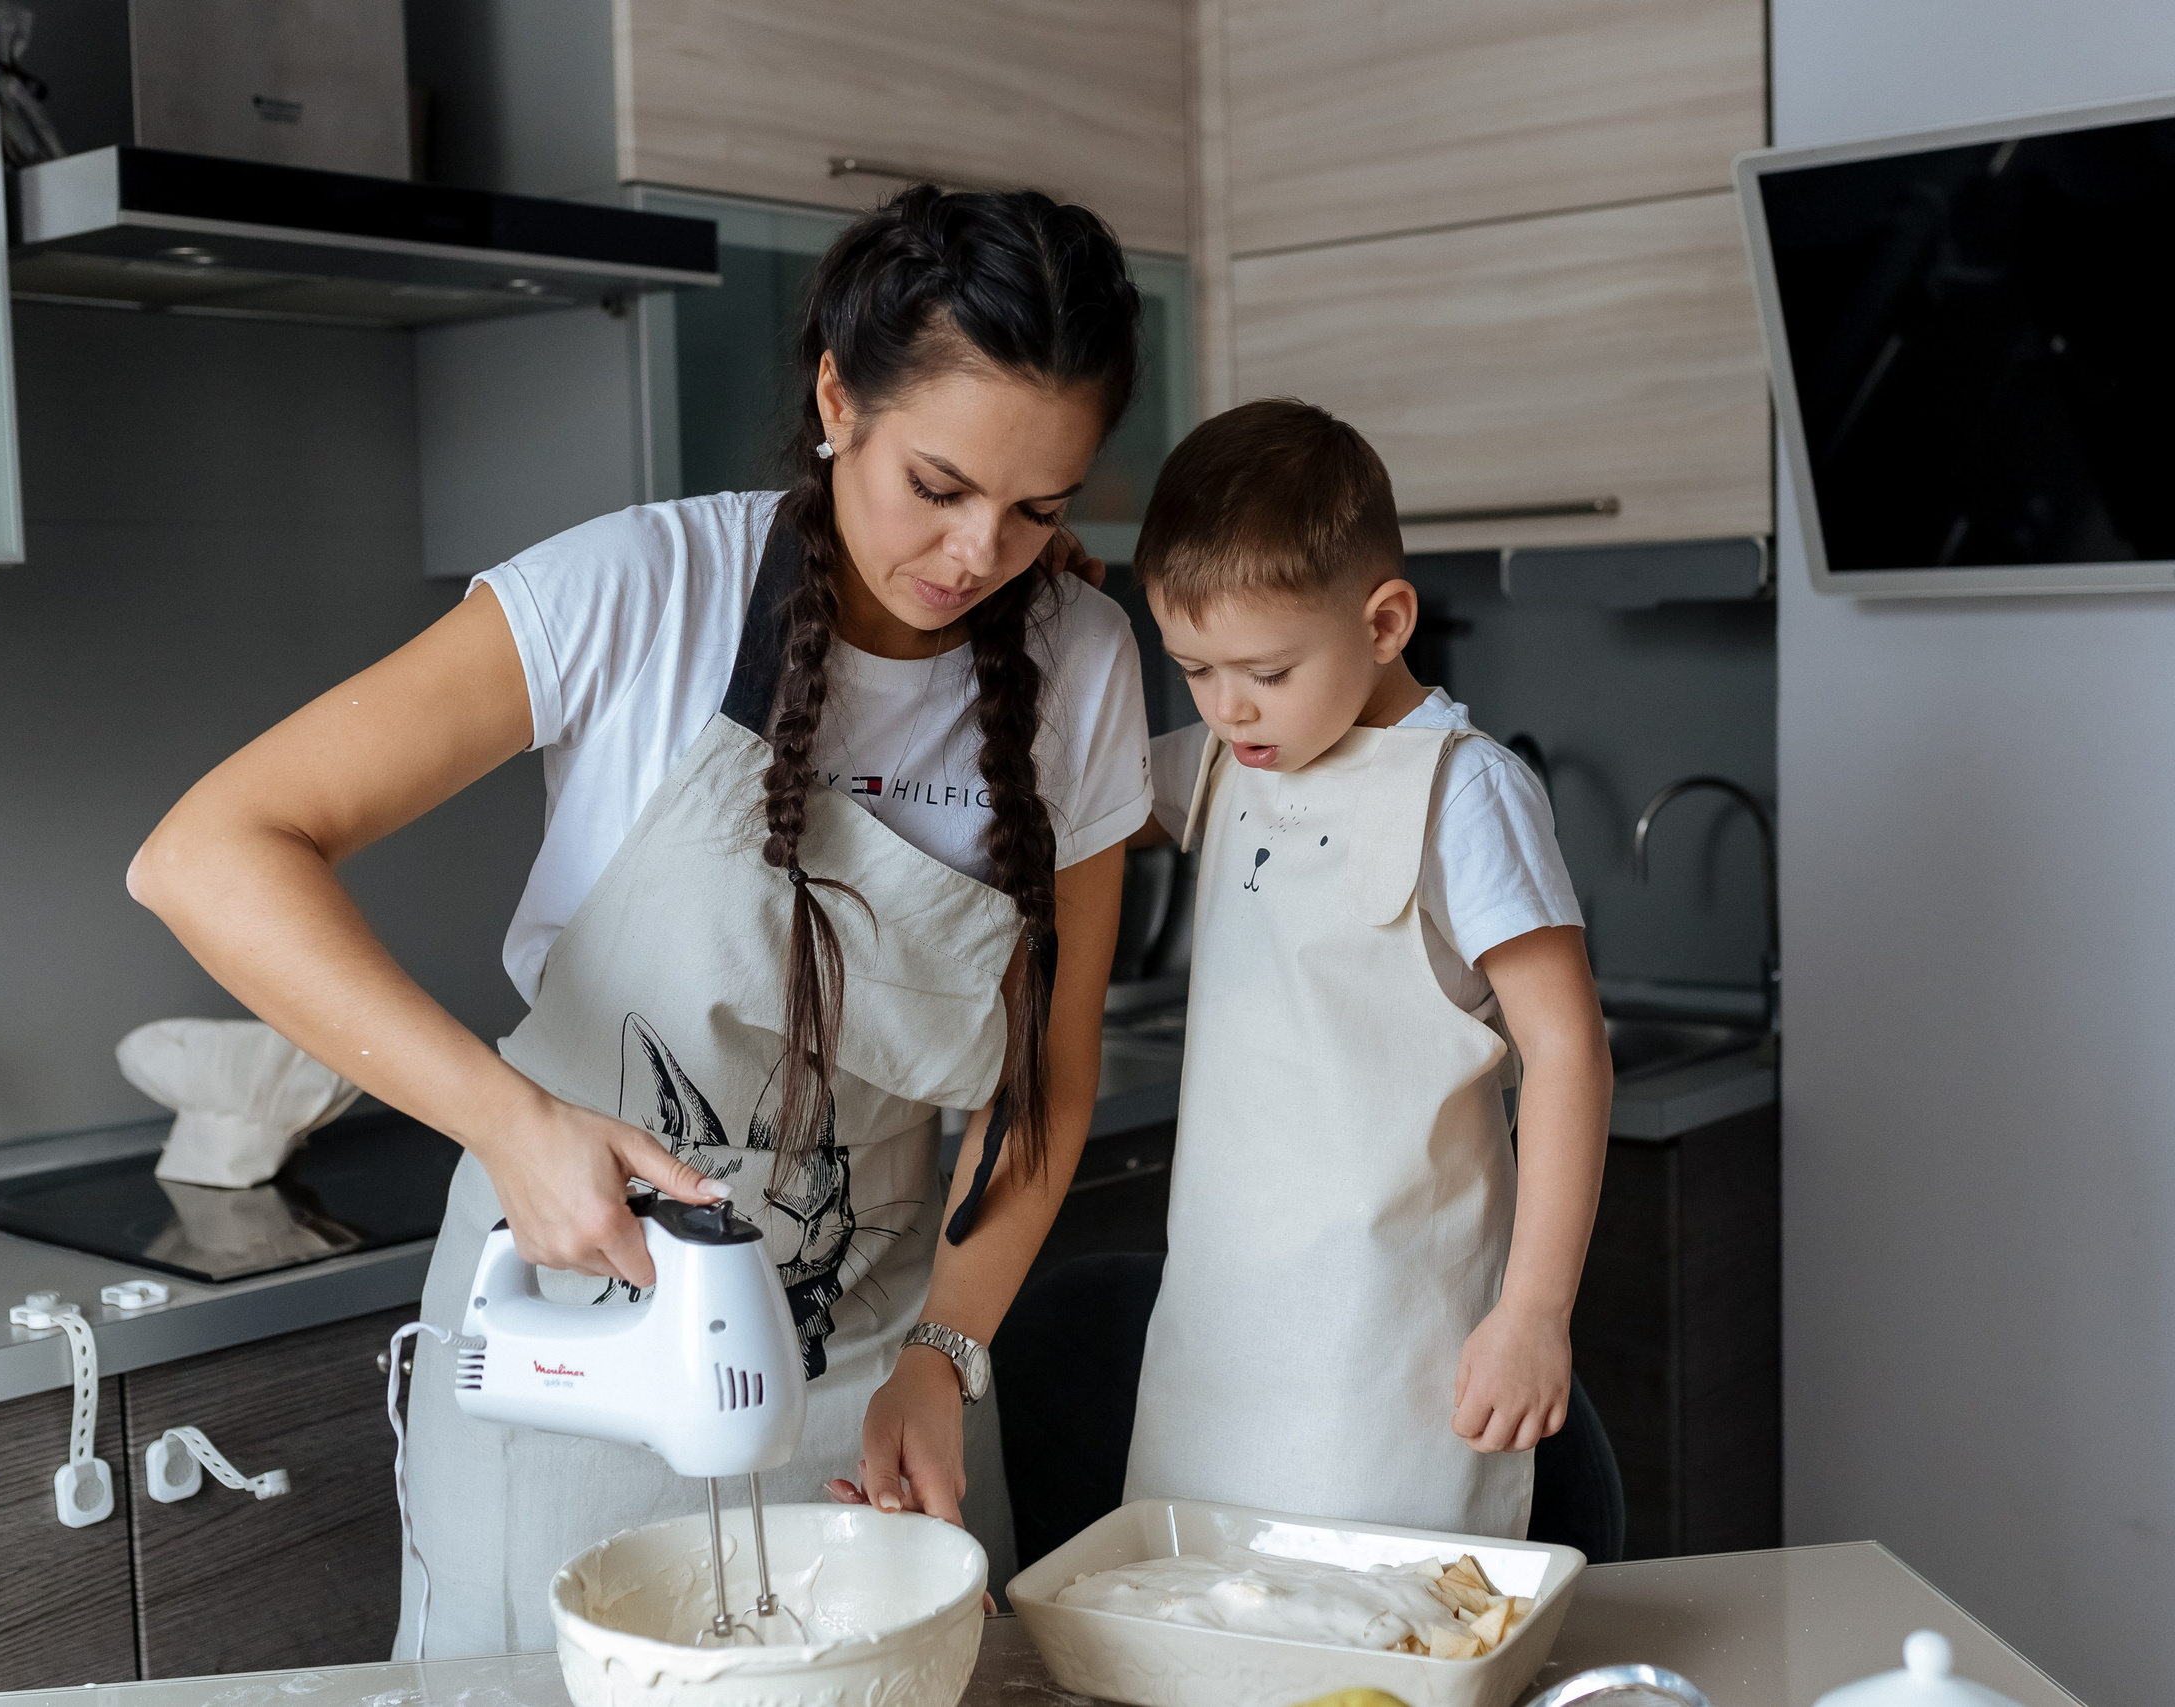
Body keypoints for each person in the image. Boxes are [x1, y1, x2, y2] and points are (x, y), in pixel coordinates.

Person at [127, 187, 1154, 1657]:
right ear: (836, 400)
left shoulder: (1085, 663)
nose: (978, 550)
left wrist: (947, 1353)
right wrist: (507, 1120)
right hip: (576, 1352)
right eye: (937, 485)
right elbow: (207, 854)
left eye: (1039, 508)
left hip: (882, 1375)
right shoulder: (641, 589)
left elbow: (1044, 1085)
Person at [999, 398, 1614, 1554]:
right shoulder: (1225, 762)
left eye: (1267, 671)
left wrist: (1534, 1312)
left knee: (1376, 1617)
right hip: (1223, 1330)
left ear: (1383, 623)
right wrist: (1047, 610)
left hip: (1394, 1343)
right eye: (1193, 669)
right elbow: (1061, 783)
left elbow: (1568, 1050)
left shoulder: (1464, 792)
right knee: (1204, 1605)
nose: (1228, 707)